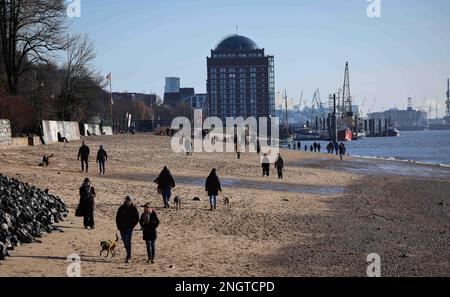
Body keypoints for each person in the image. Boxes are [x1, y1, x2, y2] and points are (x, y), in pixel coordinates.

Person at [116, 196, 139, 263]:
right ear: (125, 201)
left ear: (131, 201)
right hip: (122, 228)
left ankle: (129, 256)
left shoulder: (134, 208)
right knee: (124, 241)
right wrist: (118, 226)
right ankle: (128, 252)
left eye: (129, 200)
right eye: (127, 200)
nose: (128, 202)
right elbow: (117, 217)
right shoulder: (121, 208)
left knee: (128, 241)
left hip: (129, 228)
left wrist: (133, 225)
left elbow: (137, 218)